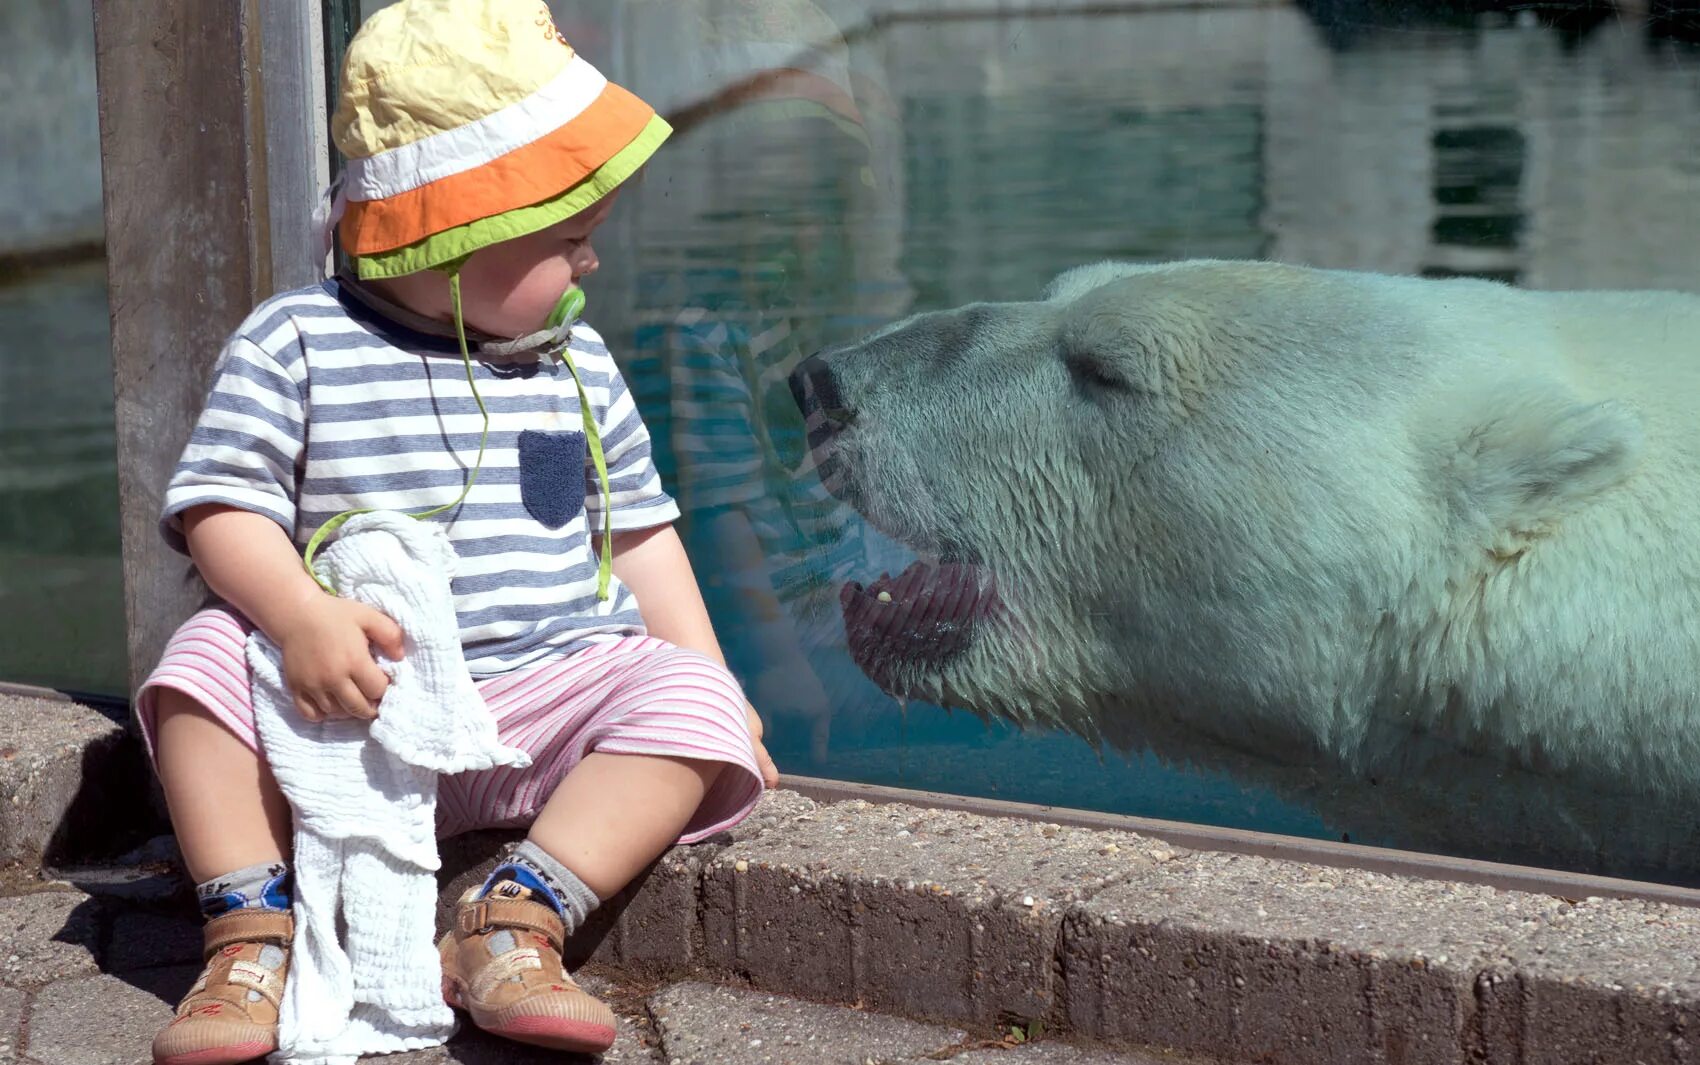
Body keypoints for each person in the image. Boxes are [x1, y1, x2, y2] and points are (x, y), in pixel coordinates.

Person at [137, 2, 776, 1062]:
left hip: (540, 694)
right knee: (199, 663)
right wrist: (299, 617)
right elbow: (220, 503)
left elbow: (641, 537)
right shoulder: (295, 341)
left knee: (691, 699)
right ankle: (250, 932)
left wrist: (719, 688)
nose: (589, 266)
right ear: (456, 231)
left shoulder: (573, 364)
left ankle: (514, 919)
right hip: (350, 704)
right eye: (568, 240)